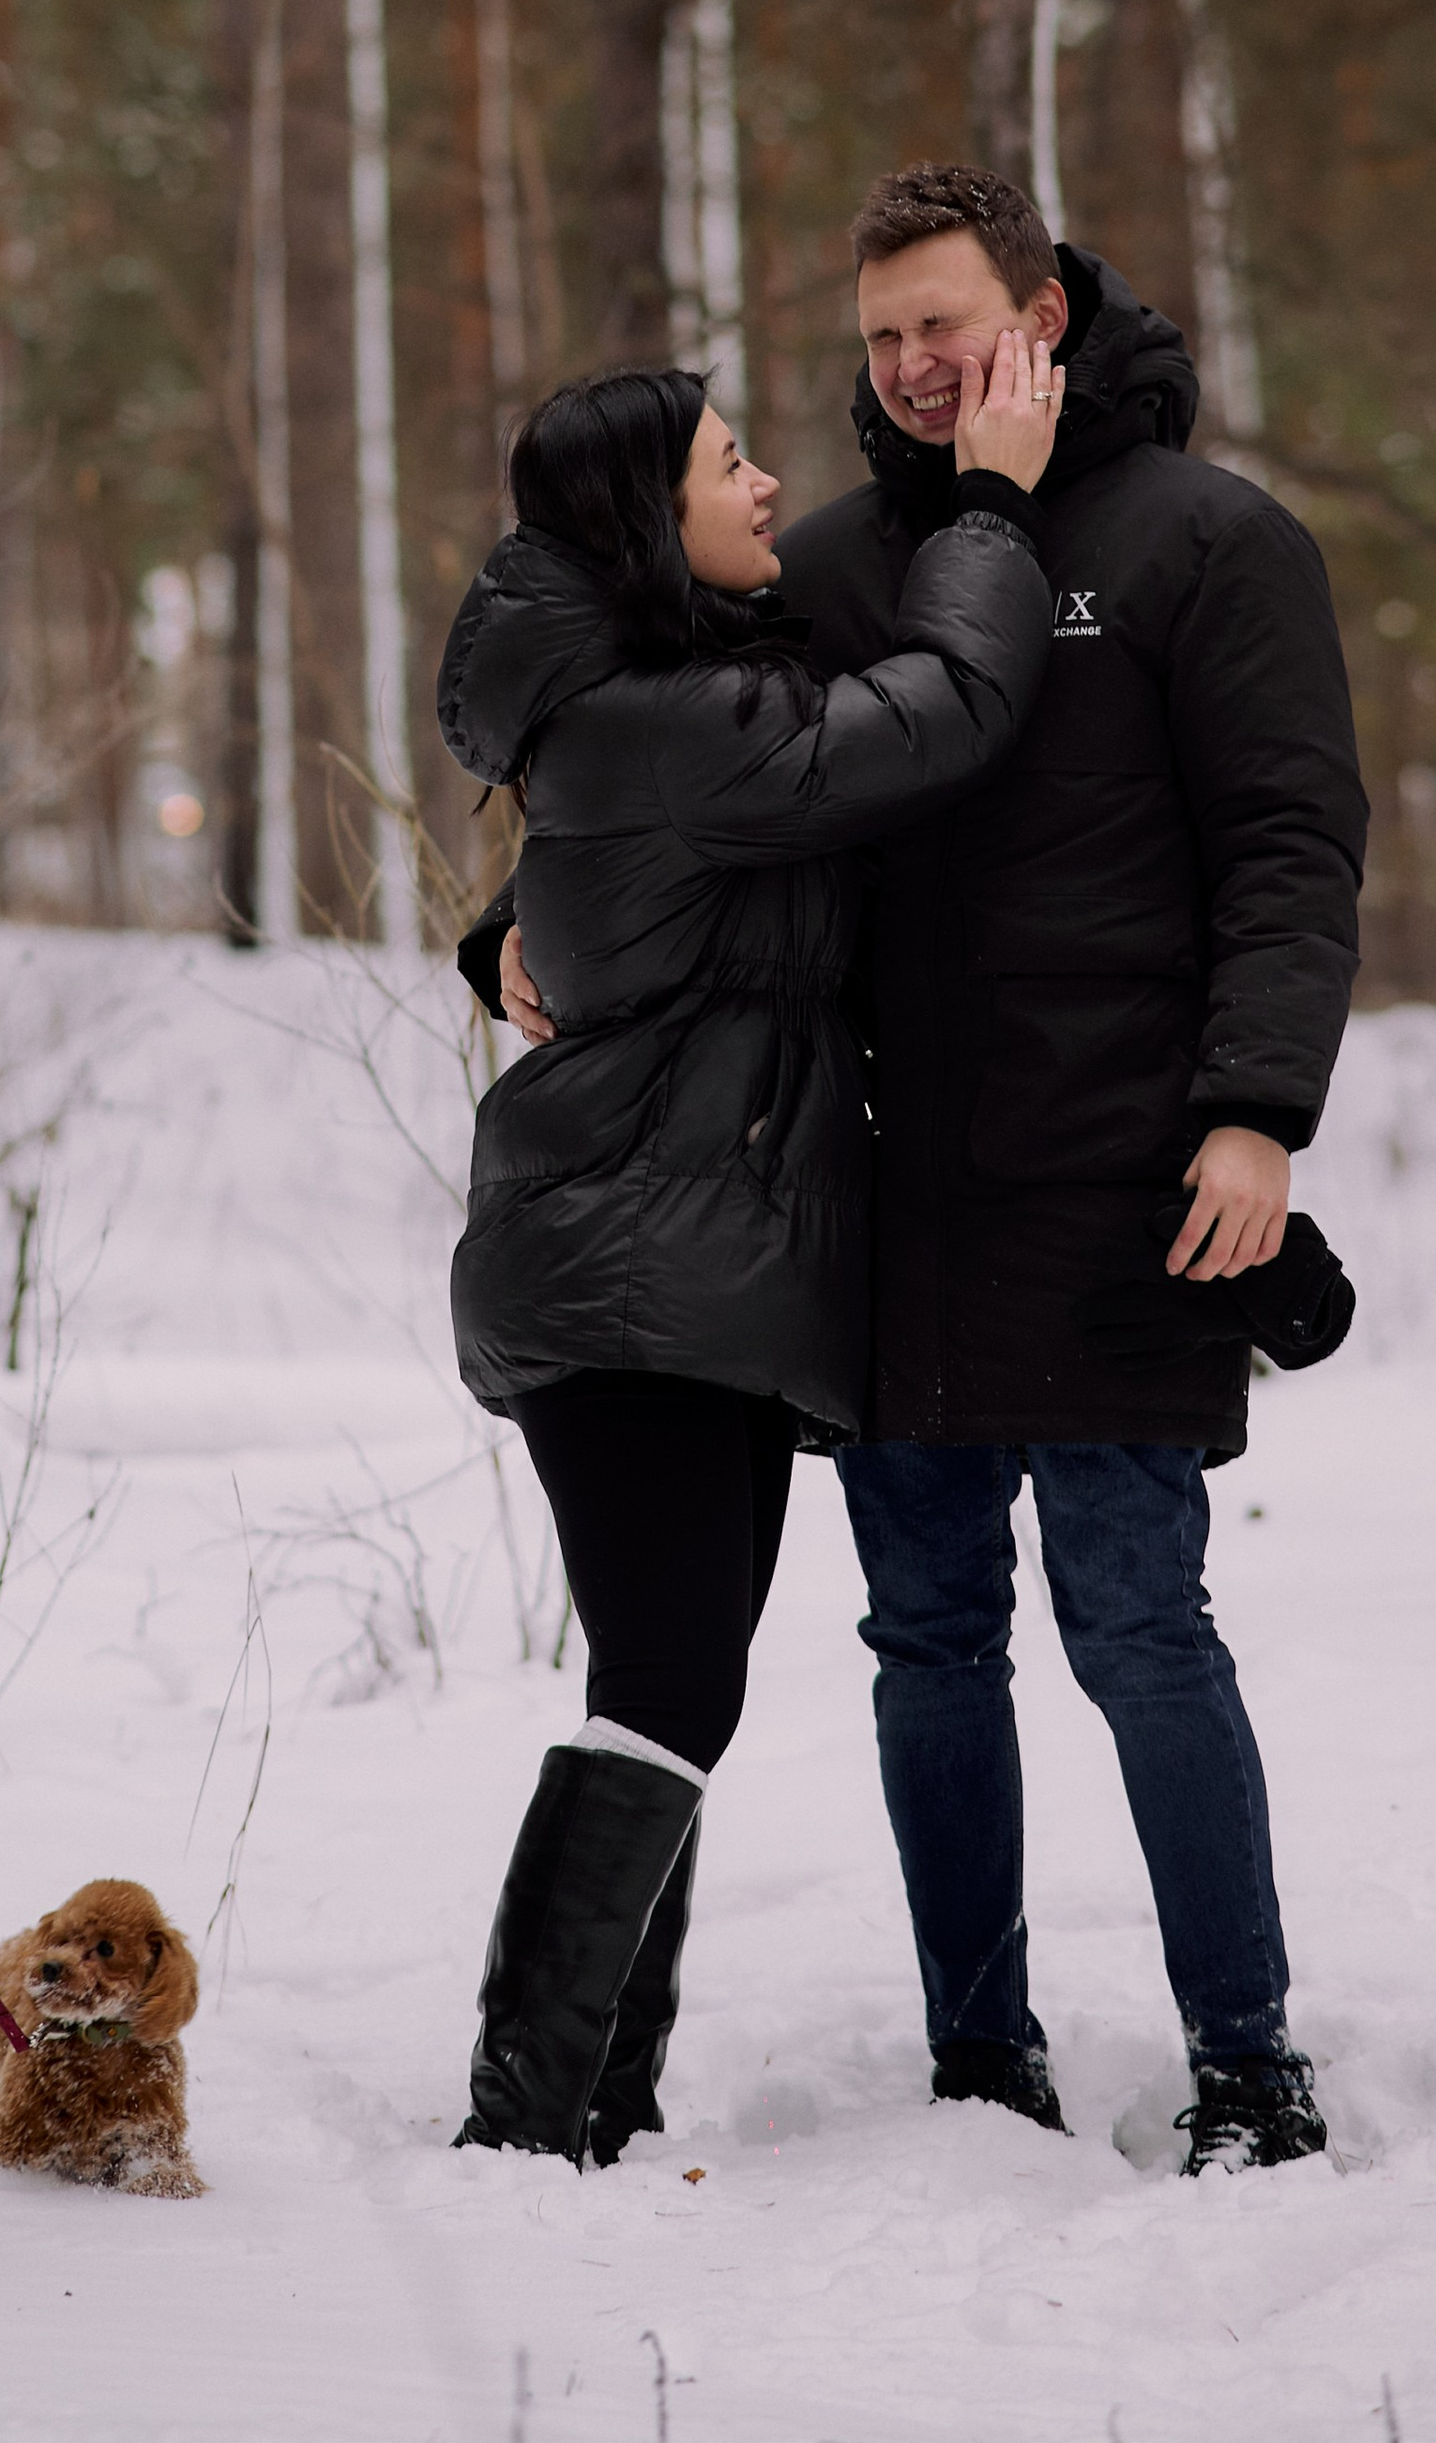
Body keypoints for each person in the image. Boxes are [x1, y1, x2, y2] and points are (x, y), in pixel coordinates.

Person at [491, 166, 1367, 2176]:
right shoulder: (822, 566)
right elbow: (654, 780)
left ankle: (1246, 2057)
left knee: (1141, 1620)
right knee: (925, 1634)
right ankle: (981, 2053)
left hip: (1124, 1180)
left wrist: (1253, 1105)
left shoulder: (1207, 544)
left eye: (941, 327)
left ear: (1039, 318)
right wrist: (511, 939)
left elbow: (1287, 852)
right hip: (874, 1195)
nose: (904, 368)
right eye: (876, 335)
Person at [437, 340, 1061, 2166]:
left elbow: (674, 877)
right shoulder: (660, 720)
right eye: (729, 461)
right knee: (666, 1682)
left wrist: (496, 942)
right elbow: (943, 705)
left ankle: (585, 2103)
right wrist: (996, 507)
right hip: (642, 1265)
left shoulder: (658, 698)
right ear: (654, 515)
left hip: (678, 1257)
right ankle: (530, 2112)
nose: (767, 481)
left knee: (668, 1687)